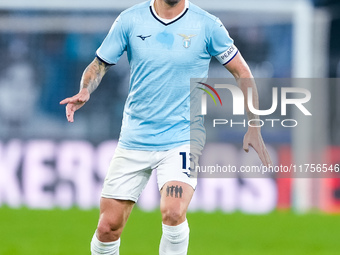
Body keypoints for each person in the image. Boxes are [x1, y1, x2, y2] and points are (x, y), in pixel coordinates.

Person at [60, 0, 272, 254]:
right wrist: (85, 89)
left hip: (182, 140)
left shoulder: (207, 25)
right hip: (134, 139)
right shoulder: (130, 20)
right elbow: (99, 64)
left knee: (173, 212)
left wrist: (254, 125)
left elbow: (243, 73)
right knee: (108, 227)